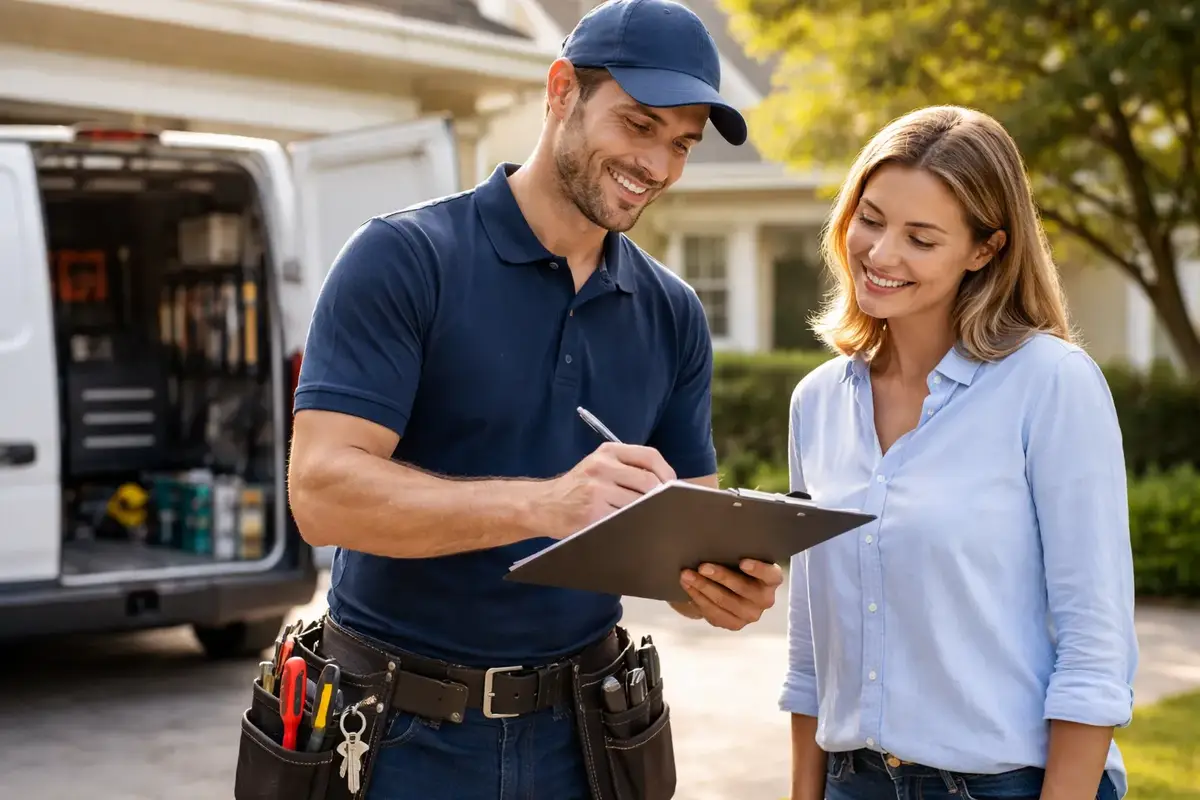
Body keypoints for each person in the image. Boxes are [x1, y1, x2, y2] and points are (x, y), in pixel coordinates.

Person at [286, 1, 783, 797]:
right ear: (561, 93)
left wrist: (719, 587)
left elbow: (686, 535)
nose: (657, 164)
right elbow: (320, 494)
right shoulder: (405, 259)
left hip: (585, 740)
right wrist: (546, 506)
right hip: (397, 738)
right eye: (638, 124)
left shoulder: (672, 313)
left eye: (680, 144)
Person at [780, 105, 1138, 800]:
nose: (881, 255)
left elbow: (1095, 651)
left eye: (921, 238)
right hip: (852, 783)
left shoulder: (1050, 385)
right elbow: (810, 647)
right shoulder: (818, 401)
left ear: (985, 249)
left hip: (1009, 786)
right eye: (871, 218)